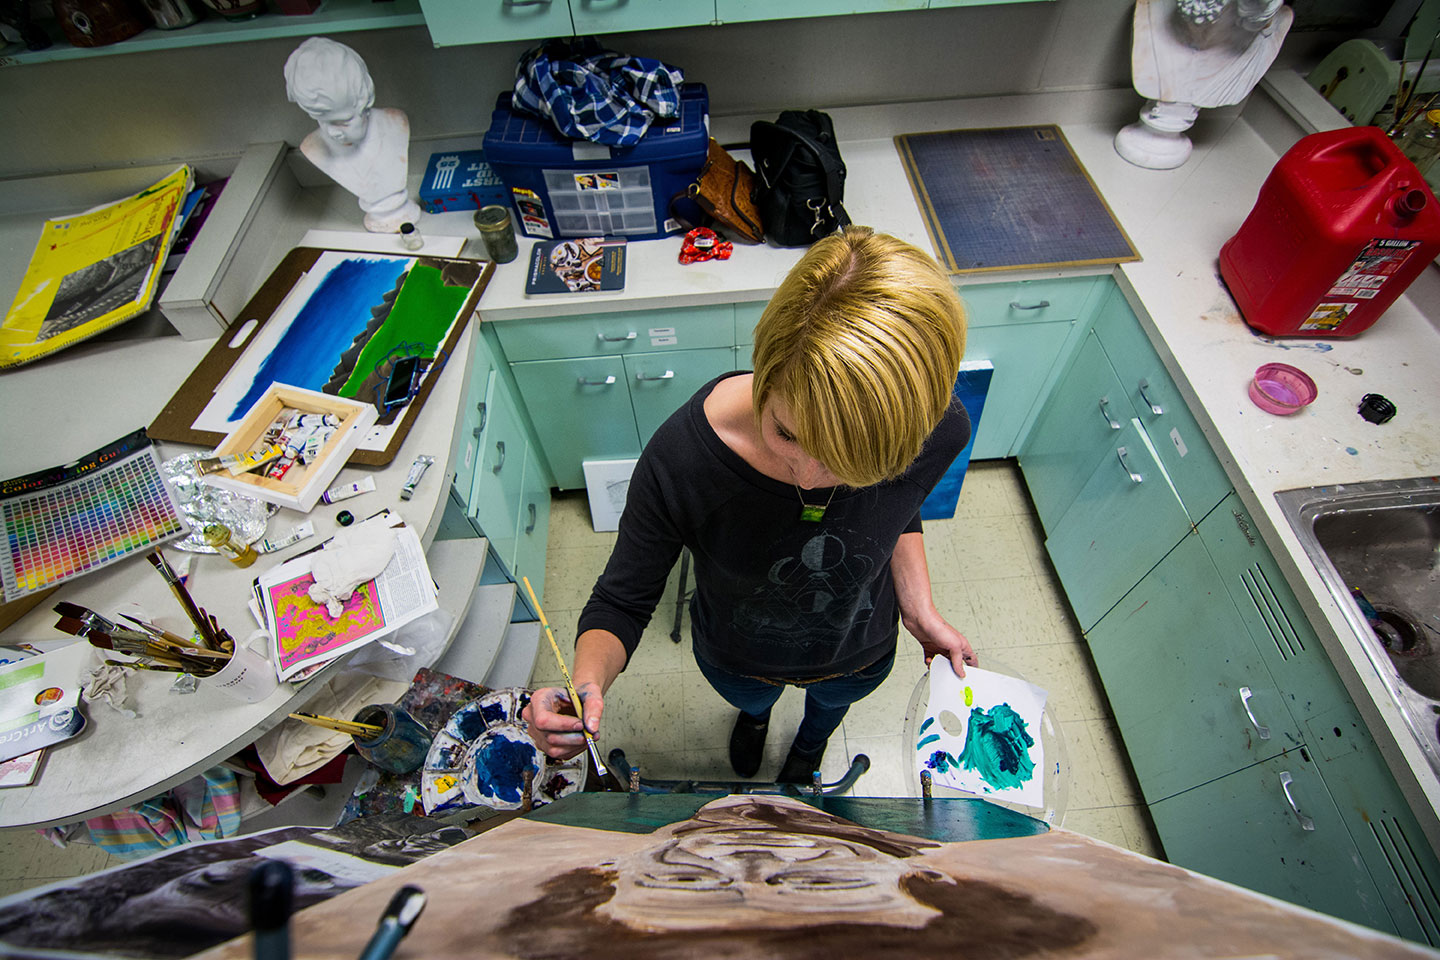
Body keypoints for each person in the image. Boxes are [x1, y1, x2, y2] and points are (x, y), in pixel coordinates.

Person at [523, 227, 978, 784]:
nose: (810, 479)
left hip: (857, 653)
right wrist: (587, 683)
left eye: (851, 461)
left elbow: (900, 506)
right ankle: (755, 720)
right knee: (752, 703)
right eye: (787, 434)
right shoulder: (684, 458)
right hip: (738, 658)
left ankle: (810, 745)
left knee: (826, 717)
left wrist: (918, 609)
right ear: (767, 367)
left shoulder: (940, 430)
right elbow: (623, 598)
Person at [283, 37, 421, 233]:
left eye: (343, 122)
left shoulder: (395, 124)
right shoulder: (313, 147)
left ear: (365, 103)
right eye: (321, 121)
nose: (331, 132)